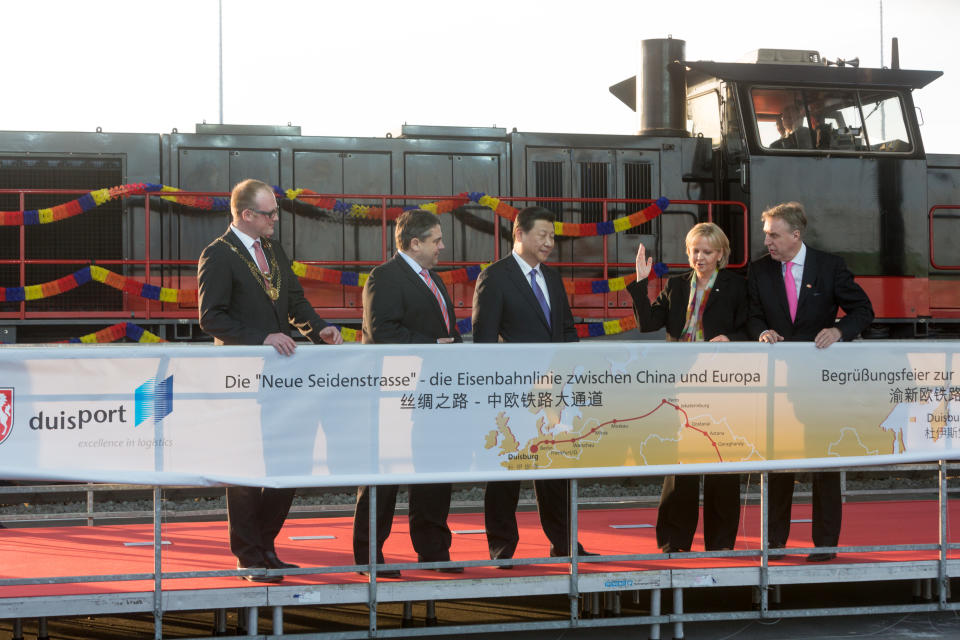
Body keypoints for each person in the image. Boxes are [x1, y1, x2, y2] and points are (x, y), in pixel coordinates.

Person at [198, 178, 343, 582]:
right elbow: (212, 317)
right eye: (269, 213)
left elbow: (295, 301)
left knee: (290, 462)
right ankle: (248, 555)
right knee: (245, 467)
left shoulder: (274, 250)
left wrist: (320, 330)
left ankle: (265, 546)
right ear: (246, 214)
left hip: (284, 377)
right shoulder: (218, 254)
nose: (275, 219)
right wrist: (261, 338)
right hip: (243, 378)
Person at [747, 201, 874, 562]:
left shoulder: (829, 267)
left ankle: (825, 545)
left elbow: (864, 311)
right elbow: (753, 315)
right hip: (777, 384)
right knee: (777, 464)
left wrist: (839, 330)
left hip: (821, 385)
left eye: (773, 234)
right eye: (766, 234)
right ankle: (773, 543)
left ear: (795, 235)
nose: (767, 241)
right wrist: (761, 332)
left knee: (824, 464)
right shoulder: (759, 271)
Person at [472, 205, 593, 563]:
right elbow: (483, 342)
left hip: (553, 392)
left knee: (556, 468)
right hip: (514, 393)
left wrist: (566, 372)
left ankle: (565, 543)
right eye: (542, 235)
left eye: (552, 237)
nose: (549, 243)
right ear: (519, 234)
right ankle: (502, 546)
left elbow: (567, 331)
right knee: (507, 470)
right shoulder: (494, 277)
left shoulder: (552, 278)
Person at [352, 208, 462, 577]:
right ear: (415, 244)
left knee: (434, 472)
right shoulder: (383, 278)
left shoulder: (434, 279)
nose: (442, 247)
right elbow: (383, 332)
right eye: (436, 241)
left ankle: (434, 550)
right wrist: (435, 344)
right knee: (384, 477)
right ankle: (369, 556)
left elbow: (449, 332)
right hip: (395, 393)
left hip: (435, 393)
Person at [626, 222, 747, 553]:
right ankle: (673, 543)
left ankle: (720, 544)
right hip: (680, 385)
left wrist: (732, 339)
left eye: (707, 252)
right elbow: (648, 323)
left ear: (720, 254)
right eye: (695, 251)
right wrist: (641, 282)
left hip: (721, 384)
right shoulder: (677, 286)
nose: (700, 257)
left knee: (722, 463)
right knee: (680, 466)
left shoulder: (737, 287)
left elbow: (751, 326)